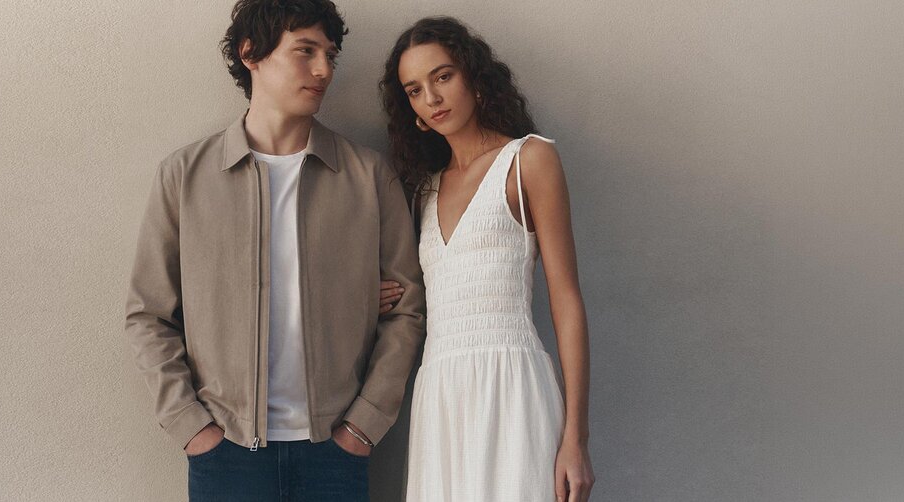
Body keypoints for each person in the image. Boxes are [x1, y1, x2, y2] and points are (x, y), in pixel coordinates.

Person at [121, 1, 426, 500]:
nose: (324, 69)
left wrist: (364, 425)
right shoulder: (185, 176)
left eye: (330, 53)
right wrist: (191, 427)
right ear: (251, 53)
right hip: (226, 453)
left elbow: (408, 309)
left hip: (335, 450)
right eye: (305, 51)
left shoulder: (369, 176)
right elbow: (148, 314)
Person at [377, 16, 596, 502]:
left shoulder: (528, 160)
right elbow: (415, 297)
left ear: (475, 76)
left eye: (442, 76)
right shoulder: (423, 191)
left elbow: (566, 300)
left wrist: (575, 438)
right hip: (440, 397)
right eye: (414, 90)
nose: (431, 98)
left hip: (512, 389)